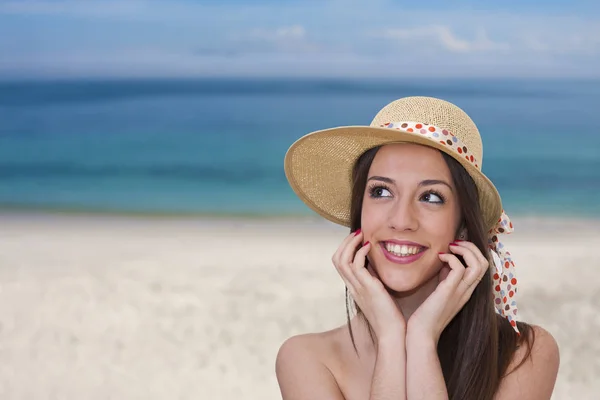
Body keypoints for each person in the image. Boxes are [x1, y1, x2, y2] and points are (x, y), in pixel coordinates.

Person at [275, 96, 560, 399]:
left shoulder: (524, 353)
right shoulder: (306, 359)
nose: (401, 220)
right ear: (360, 213)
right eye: (381, 191)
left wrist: (422, 340)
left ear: (462, 225)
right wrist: (391, 338)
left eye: (431, 197)